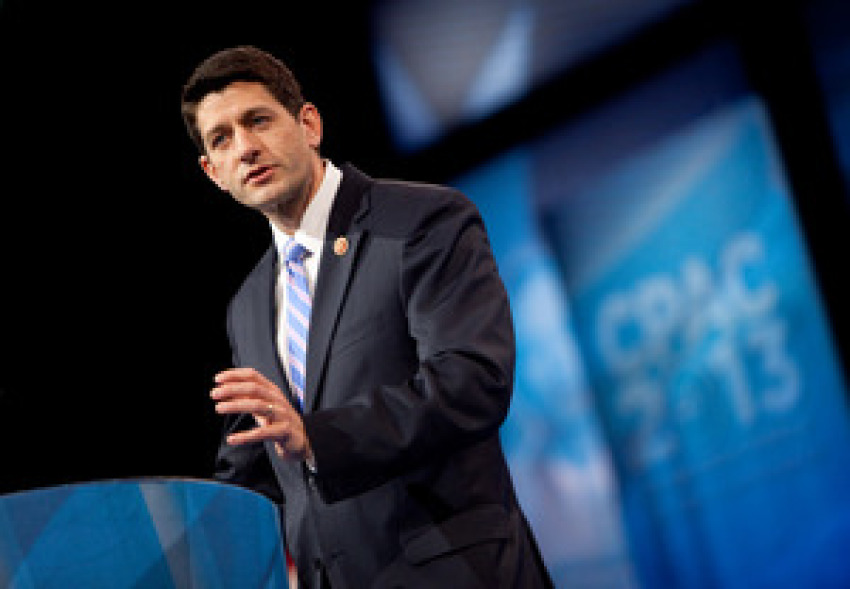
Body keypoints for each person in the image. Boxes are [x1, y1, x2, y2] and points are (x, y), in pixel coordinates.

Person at [181, 45, 553, 589]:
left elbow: (473, 381)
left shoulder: (422, 221)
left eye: (257, 120)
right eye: (223, 139)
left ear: (308, 123)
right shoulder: (247, 305)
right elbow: (255, 466)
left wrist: (317, 437)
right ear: (213, 173)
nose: (246, 148)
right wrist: (176, 533)